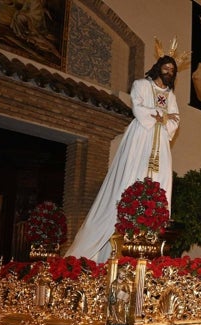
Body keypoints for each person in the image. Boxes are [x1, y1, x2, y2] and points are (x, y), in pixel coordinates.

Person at [65, 42, 186, 262]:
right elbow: (138, 107)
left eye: (172, 71)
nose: (169, 72)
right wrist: (159, 116)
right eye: (166, 68)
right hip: (141, 136)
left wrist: (163, 118)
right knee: (131, 178)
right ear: (158, 67)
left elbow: (176, 119)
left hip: (161, 145)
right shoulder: (141, 84)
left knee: (160, 182)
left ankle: (151, 238)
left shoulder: (171, 96)